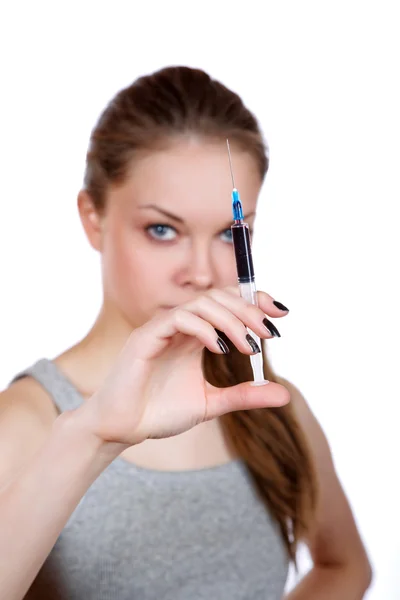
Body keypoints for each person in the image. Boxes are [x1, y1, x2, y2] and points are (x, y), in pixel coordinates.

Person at [0, 66, 372, 600]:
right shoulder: (23, 425)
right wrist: (90, 437)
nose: (201, 272)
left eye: (229, 234)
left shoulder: (268, 407)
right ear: (93, 218)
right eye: (162, 230)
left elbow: (343, 565)